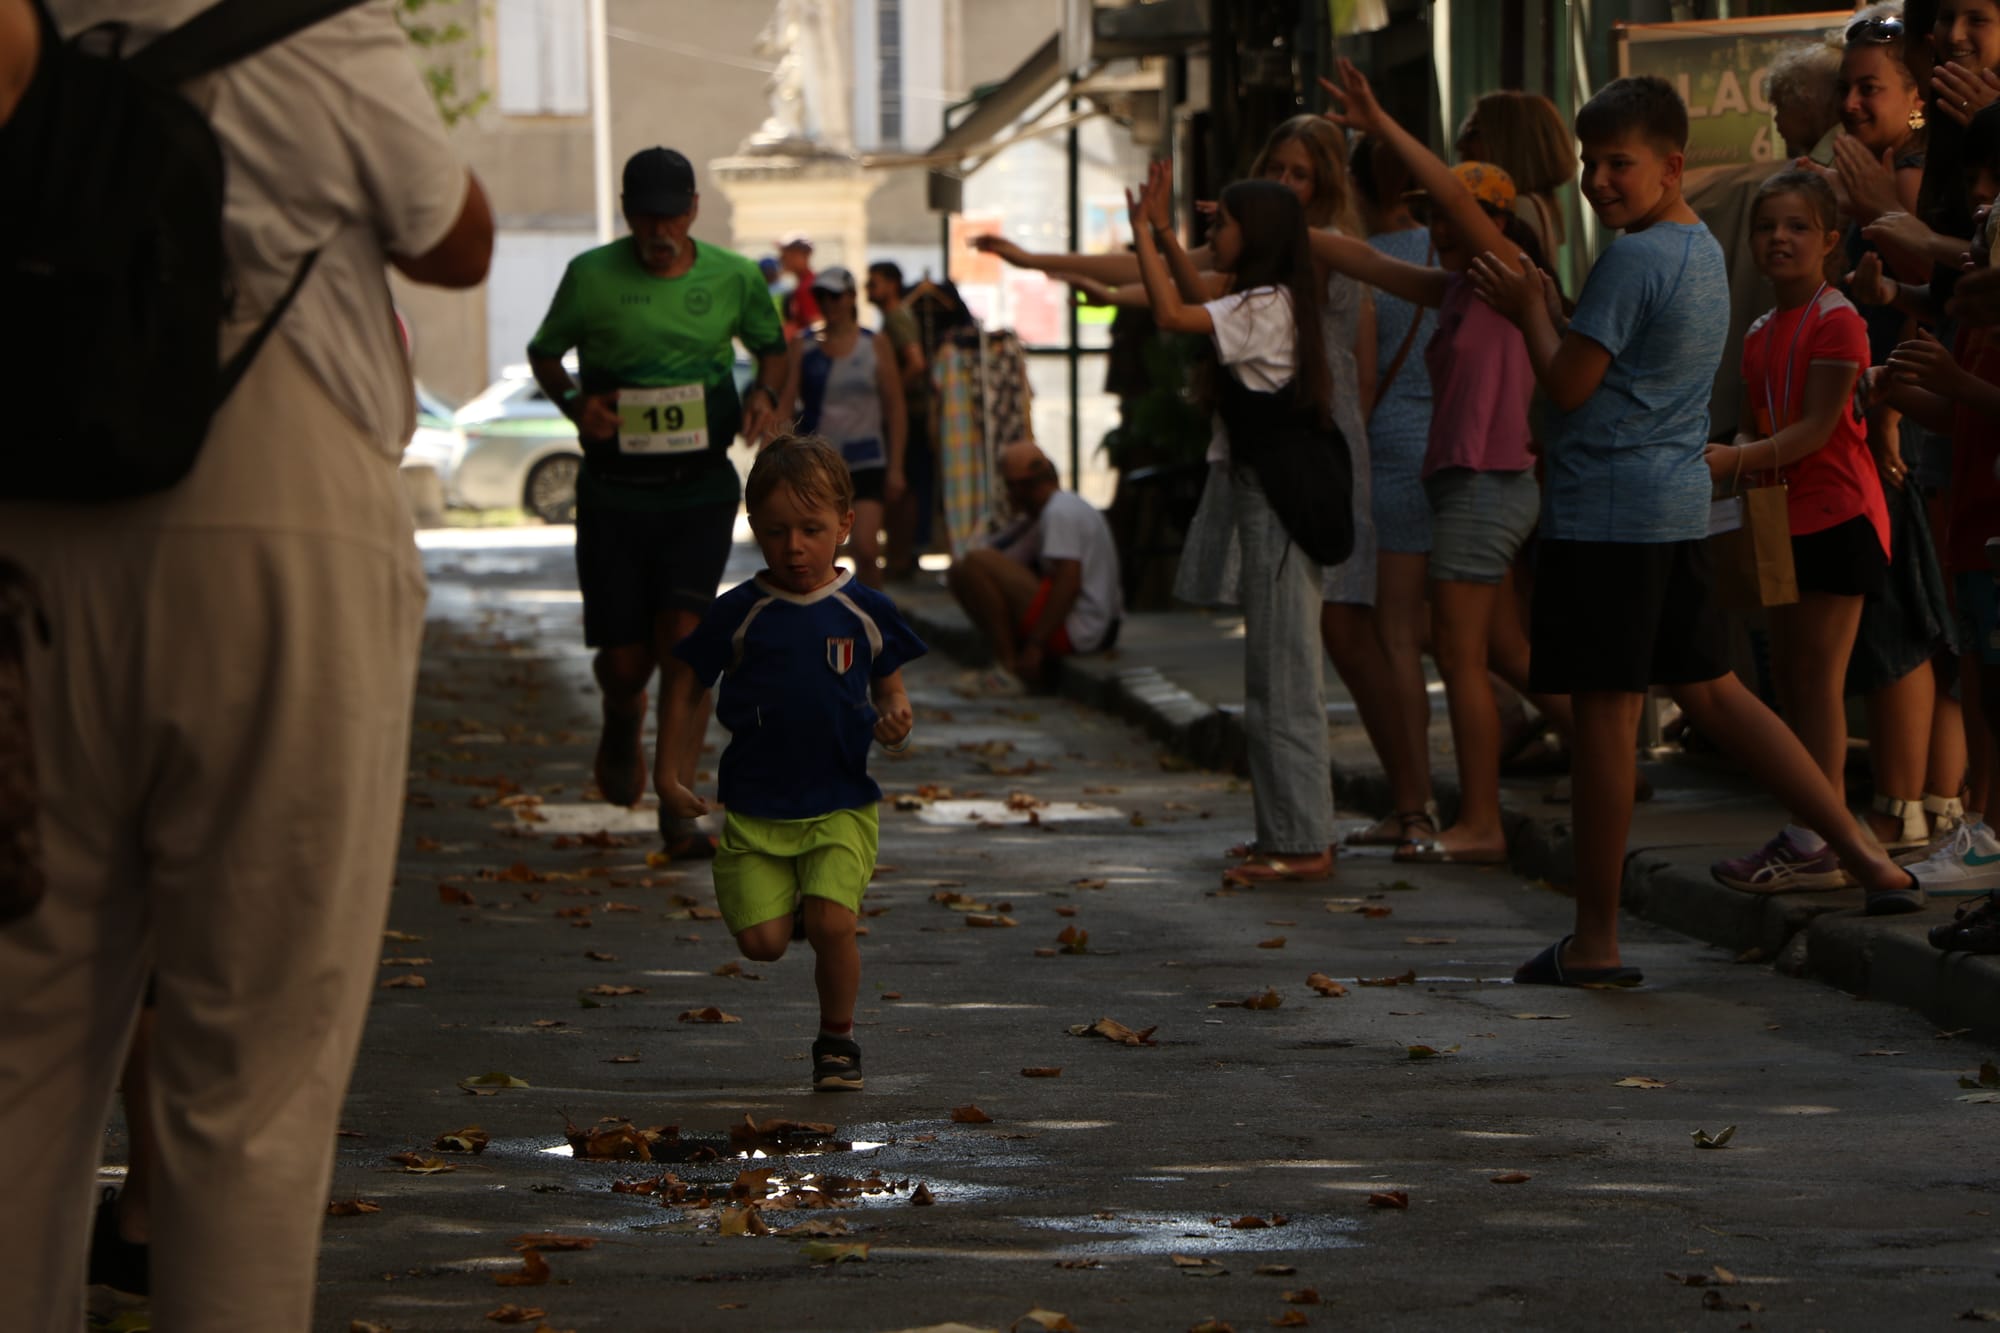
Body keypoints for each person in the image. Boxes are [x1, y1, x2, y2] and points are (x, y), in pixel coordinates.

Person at [0, 3, 493, 1326]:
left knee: (17, 1058)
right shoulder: (322, 22)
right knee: (254, 1074)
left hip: (27, 516)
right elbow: (456, 238)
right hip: (275, 516)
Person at [1467, 72, 1920, 988]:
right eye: (1592, 164)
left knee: (1606, 724)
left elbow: (1568, 386)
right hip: (1669, 506)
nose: (1599, 181)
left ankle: (1594, 939)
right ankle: (1867, 855)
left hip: (1607, 516)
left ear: (1672, 164)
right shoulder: (1697, 248)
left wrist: (1525, 313)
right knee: (1719, 698)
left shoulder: (1633, 259)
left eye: (1619, 163)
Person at [1316, 67, 1573, 865]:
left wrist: (1381, 123)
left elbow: (1460, 208)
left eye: (1450, 216)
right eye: (1428, 215)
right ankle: (1612, 755)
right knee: (1499, 651)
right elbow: (1365, 262)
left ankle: (1482, 822)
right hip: (1477, 485)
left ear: (1494, 219)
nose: (1437, 227)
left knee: (1459, 659)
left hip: (1484, 485)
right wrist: (1274, 225)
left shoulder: (1506, 276)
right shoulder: (1459, 286)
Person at [527, 147, 789, 859]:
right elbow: (546, 353)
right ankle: (620, 713)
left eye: (672, 215)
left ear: (694, 210)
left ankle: (677, 797)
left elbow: (773, 348)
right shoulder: (590, 277)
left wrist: (765, 395)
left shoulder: (733, 277)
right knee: (624, 660)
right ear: (627, 214)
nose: (660, 230)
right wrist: (578, 403)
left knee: (685, 634)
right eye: (647, 216)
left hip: (700, 487)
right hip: (614, 491)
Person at [659, 435, 922, 1092]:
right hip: (755, 806)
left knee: (836, 922)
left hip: (841, 799)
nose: (796, 546)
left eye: (811, 529)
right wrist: (669, 774)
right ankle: (796, 905)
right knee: (763, 944)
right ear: (754, 529)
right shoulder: (740, 612)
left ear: (845, 524)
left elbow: (890, 686)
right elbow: (688, 683)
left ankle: (838, 1040)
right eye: (777, 532)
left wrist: (895, 717)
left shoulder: (866, 608)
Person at [1125, 167, 1341, 886]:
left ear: (1261, 233)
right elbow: (1194, 299)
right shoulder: (1267, 300)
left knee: (1283, 676)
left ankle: (1304, 839)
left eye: (1223, 223)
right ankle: (1285, 831)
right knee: (1273, 674)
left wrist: (1146, 235)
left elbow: (1171, 315)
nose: (1212, 232)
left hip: (1279, 500)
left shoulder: (1268, 305)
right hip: (1268, 494)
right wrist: (1159, 233)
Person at [1707, 171, 1891, 891]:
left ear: (1829, 241)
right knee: (1787, 680)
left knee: (1818, 682)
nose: (1779, 239)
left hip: (1837, 516)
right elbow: (1765, 419)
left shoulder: (1838, 318)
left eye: (1797, 227)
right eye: (1766, 227)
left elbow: (1816, 427)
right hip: (1778, 519)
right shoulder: (1758, 331)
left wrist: (1737, 456)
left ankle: (1822, 837)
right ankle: (1804, 830)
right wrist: (1748, 458)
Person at [1874, 101, 2000, 894]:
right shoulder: (1980, 310)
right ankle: (1984, 834)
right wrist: (1892, 389)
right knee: (1984, 672)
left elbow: (1973, 396)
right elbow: (1960, 411)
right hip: (1977, 521)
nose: (1984, 195)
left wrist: (1951, 384)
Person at [946, 441, 1123, 696]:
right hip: (1088, 625)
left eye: (1009, 487)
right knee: (963, 570)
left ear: (1021, 487)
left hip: (1081, 629)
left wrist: (1036, 646)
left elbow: (1068, 581)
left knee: (976, 563)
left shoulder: (1059, 513)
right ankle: (1008, 659)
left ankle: (1008, 668)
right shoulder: (1052, 511)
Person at [778, 265, 906, 588]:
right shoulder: (803, 345)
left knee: (865, 548)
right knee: (821, 556)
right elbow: (786, 403)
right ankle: (821, 627)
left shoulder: (874, 344)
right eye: (821, 296)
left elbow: (895, 407)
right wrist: (772, 456)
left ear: (850, 298)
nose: (828, 303)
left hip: (867, 459)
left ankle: (875, 627)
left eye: (835, 296)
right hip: (819, 464)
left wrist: (896, 467)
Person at [1453, 89, 1578, 264]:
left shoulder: (1520, 210)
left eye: (1473, 132)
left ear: (1509, 142)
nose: (1460, 145)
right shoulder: (1532, 207)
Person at [869, 261, 934, 579]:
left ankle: (900, 557)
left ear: (893, 285)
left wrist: (891, 396)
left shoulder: (897, 318)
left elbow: (916, 363)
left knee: (904, 487)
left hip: (909, 416)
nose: (869, 289)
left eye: (875, 283)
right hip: (907, 414)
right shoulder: (893, 318)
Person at [777, 232, 821, 336]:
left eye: (787, 254)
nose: (782, 259)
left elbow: (816, 325)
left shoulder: (808, 287)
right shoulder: (804, 284)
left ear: (803, 255)